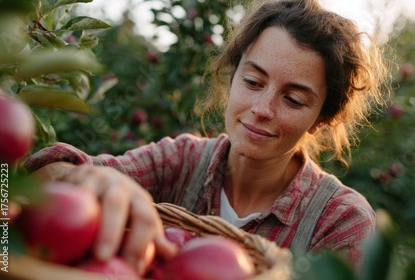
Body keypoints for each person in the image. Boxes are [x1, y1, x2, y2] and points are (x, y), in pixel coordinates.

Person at [25, 0, 390, 275]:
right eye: (252, 82)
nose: (262, 108)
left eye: (293, 100)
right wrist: (85, 179)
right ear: (231, 79)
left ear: (321, 119)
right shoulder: (181, 160)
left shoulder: (341, 221)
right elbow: (32, 180)